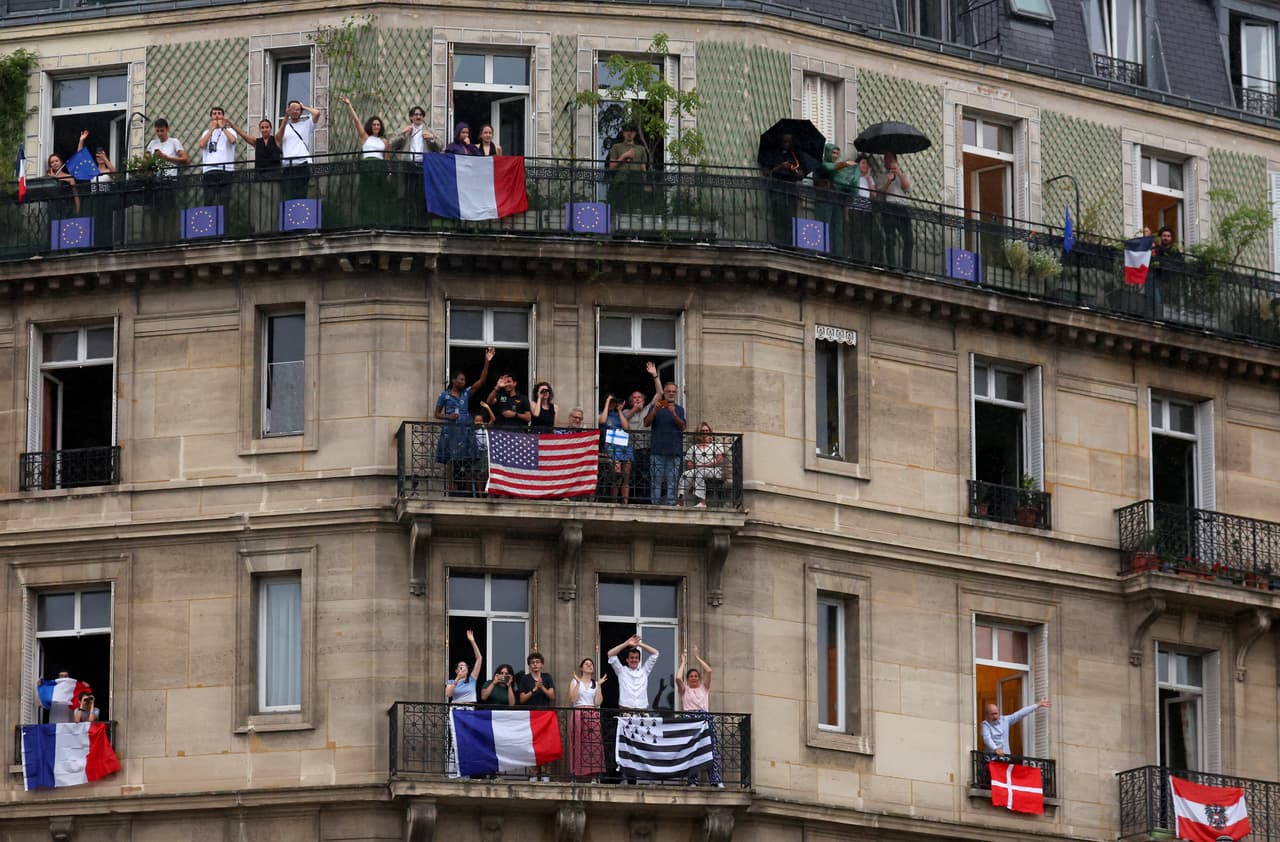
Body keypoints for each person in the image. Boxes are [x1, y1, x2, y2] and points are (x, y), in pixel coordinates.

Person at [435, 347, 495, 495]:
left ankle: (468, 489)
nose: (463, 382)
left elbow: (481, 381)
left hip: (465, 429)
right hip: (451, 430)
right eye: (461, 379)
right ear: (454, 380)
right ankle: (451, 487)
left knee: (468, 459)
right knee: (450, 460)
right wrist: (448, 417)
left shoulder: (466, 394)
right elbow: (436, 414)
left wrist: (487, 362)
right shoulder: (445, 395)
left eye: (464, 380)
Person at [223, 116, 282, 232]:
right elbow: (242, 134)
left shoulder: (275, 140)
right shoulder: (257, 142)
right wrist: (230, 123)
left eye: (267, 127)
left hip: (274, 176)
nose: (264, 129)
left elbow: (283, 127)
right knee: (260, 205)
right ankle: (260, 229)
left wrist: (287, 116)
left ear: (270, 128)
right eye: (262, 127)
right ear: (260, 129)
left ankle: (273, 229)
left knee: (273, 204)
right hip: (259, 177)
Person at [676, 646, 722, 787]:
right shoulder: (685, 691)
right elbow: (678, 677)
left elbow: (709, 670)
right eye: (691, 676)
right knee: (692, 751)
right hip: (691, 720)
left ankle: (716, 780)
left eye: (696, 676)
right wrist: (683, 661)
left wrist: (697, 658)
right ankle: (692, 781)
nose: (694, 678)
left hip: (705, 719)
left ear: (699, 678)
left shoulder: (704, 688)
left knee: (712, 749)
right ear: (688, 679)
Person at [762, 132, 809, 245]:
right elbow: (766, 172)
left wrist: (799, 173)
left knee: (791, 219)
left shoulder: (795, 155)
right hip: (778, 189)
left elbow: (801, 173)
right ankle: (779, 242)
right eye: (785, 141)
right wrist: (780, 167)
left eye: (789, 142)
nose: (787, 144)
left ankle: (790, 244)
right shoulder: (773, 154)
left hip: (791, 190)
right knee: (779, 217)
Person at [644, 380, 686, 505]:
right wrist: (655, 411)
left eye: (674, 391)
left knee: (672, 480)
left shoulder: (679, 409)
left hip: (674, 451)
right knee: (656, 480)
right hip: (657, 450)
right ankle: (655, 504)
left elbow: (683, 426)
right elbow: (646, 423)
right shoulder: (657, 406)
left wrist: (673, 413)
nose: (671, 393)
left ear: (676, 393)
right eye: (668, 391)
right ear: (664, 393)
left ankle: (671, 505)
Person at [146, 119, 189, 241]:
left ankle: (169, 238)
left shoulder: (174, 142)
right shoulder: (153, 144)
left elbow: (186, 159)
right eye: (157, 131)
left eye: (162, 131)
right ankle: (155, 239)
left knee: (168, 211)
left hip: (170, 180)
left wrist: (166, 158)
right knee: (154, 212)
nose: (159, 133)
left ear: (167, 129)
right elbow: (146, 162)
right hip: (156, 181)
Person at [516, 649, 556, 781]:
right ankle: (533, 774)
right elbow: (521, 699)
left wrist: (541, 687)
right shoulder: (525, 679)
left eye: (537, 662)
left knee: (546, 746)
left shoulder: (547, 677)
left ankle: (545, 774)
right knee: (532, 745)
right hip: (531, 717)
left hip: (545, 717)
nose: (535, 664)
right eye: (532, 662)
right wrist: (534, 689)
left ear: (542, 664)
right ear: (529, 665)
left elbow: (552, 696)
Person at [569, 658, 606, 780]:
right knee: (577, 742)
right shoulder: (574, 682)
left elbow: (597, 702)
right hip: (579, 712)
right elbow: (573, 699)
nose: (589, 665)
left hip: (592, 714)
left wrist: (599, 686)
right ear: (581, 668)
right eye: (586, 664)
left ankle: (593, 776)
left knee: (592, 745)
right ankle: (576, 773)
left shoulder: (595, 684)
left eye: (591, 664)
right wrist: (579, 683)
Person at [277, 100, 321, 200]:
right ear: (288, 110)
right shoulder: (285, 127)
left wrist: (304, 107)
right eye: (292, 109)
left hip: (302, 165)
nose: (295, 111)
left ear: (301, 112)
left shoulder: (306, 124)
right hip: (288, 167)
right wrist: (286, 117)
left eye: (298, 110)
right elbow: (278, 140)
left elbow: (317, 113)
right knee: (288, 197)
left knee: (301, 195)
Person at [818, 143, 856, 255]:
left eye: (837, 154)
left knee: (838, 229)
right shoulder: (823, 164)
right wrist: (845, 164)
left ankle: (838, 254)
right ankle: (824, 253)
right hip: (825, 200)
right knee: (826, 226)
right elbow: (829, 168)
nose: (835, 156)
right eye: (833, 153)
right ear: (828, 153)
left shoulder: (839, 168)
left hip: (837, 201)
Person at [878, 152, 913, 270]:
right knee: (890, 238)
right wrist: (888, 181)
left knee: (909, 239)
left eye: (890, 159)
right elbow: (881, 193)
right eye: (886, 159)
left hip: (903, 208)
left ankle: (906, 268)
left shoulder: (904, 174)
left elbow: (908, 188)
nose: (887, 161)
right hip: (889, 207)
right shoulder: (882, 176)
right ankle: (891, 266)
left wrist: (898, 173)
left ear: (896, 161)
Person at [981, 698, 1052, 756]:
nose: (995, 716)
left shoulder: (1005, 720)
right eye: (992, 714)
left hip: (1006, 758)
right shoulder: (985, 724)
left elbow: (1020, 714)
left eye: (996, 713)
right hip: (992, 759)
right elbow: (987, 738)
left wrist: (1038, 705)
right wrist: (995, 749)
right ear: (987, 715)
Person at [607, 634, 660, 710]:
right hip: (625, 709)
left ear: (639, 660)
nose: (634, 660)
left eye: (636, 658)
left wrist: (639, 644)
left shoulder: (644, 671)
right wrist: (626, 644)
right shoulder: (622, 671)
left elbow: (655, 653)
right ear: (627, 660)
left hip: (642, 709)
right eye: (631, 657)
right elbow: (610, 654)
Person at [678, 422, 724, 508]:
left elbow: (720, 460)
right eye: (702, 431)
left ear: (710, 432)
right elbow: (689, 464)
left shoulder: (716, 445)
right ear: (699, 433)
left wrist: (706, 465)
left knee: (700, 472)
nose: (705, 432)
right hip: (698, 469)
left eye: (707, 430)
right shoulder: (694, 447)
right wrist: (700, 466)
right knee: (685, 474)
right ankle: (680, 501)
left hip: (714, 470)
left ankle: (702, 502)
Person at [607, 123, 649, 213]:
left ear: (635, 133)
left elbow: (643, 167)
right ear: (623, 133)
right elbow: (612, 166)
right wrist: (624, 156)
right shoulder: (616, 147)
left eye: (632, 131)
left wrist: (645, 182)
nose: (629, 134)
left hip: (636, 179)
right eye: (627, 131)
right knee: (620, 206)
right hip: (621, 179)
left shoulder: (641, 149)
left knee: (636, 206)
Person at [599, 393, 632, 504]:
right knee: (616, 475)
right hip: (611, 445)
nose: (613, 404)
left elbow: (626, 427)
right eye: (612, 402)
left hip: (624, 445)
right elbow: (602, 421)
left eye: (614, 402)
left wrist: (619, 410)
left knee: (626, 476)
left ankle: (625, 502)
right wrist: (608, 402)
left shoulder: (621, 414)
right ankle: (614, 500)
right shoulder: (602, 413)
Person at [446, 629, 483, 704]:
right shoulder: (451, 682)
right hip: (456, 710)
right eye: (461, 666)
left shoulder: (472, 679)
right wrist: (458, 678)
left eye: (465, 666)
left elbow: (479, 658)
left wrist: (472, 641)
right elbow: (448, 694)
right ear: (456, 671)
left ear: (468, 670)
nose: (463, 667)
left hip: (469, 710)